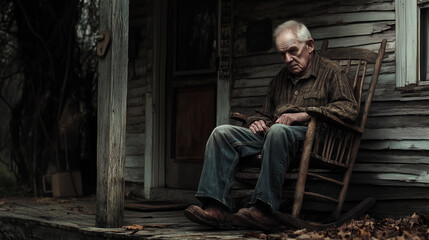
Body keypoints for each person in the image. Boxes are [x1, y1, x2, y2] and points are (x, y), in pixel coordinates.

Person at [184, 20, 359, 231]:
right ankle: (216, 206)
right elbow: (265, 114)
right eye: (282, 54)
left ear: (310, 45)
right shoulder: (279, 80)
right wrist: (255, 121)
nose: (287, 59)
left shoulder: (332, 73)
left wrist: (303, 115)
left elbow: (349, 109)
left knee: (278, 131)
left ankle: (263, 209)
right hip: (274, 137)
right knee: (221, 133)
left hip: (314, 141)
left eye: (293, 51)